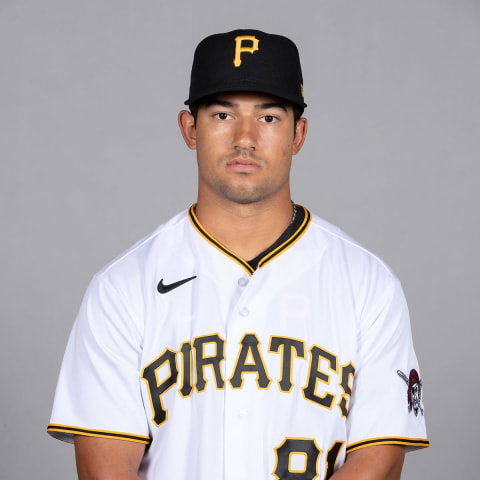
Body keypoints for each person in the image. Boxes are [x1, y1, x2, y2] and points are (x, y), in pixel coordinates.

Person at [47, 29, 429, 480]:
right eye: (223, 114)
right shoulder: (121, 288)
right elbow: (104, 471)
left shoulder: (369, 284)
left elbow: (378, 465)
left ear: (298, 133)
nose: (245, 137)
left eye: (268, 118)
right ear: (190, 129)